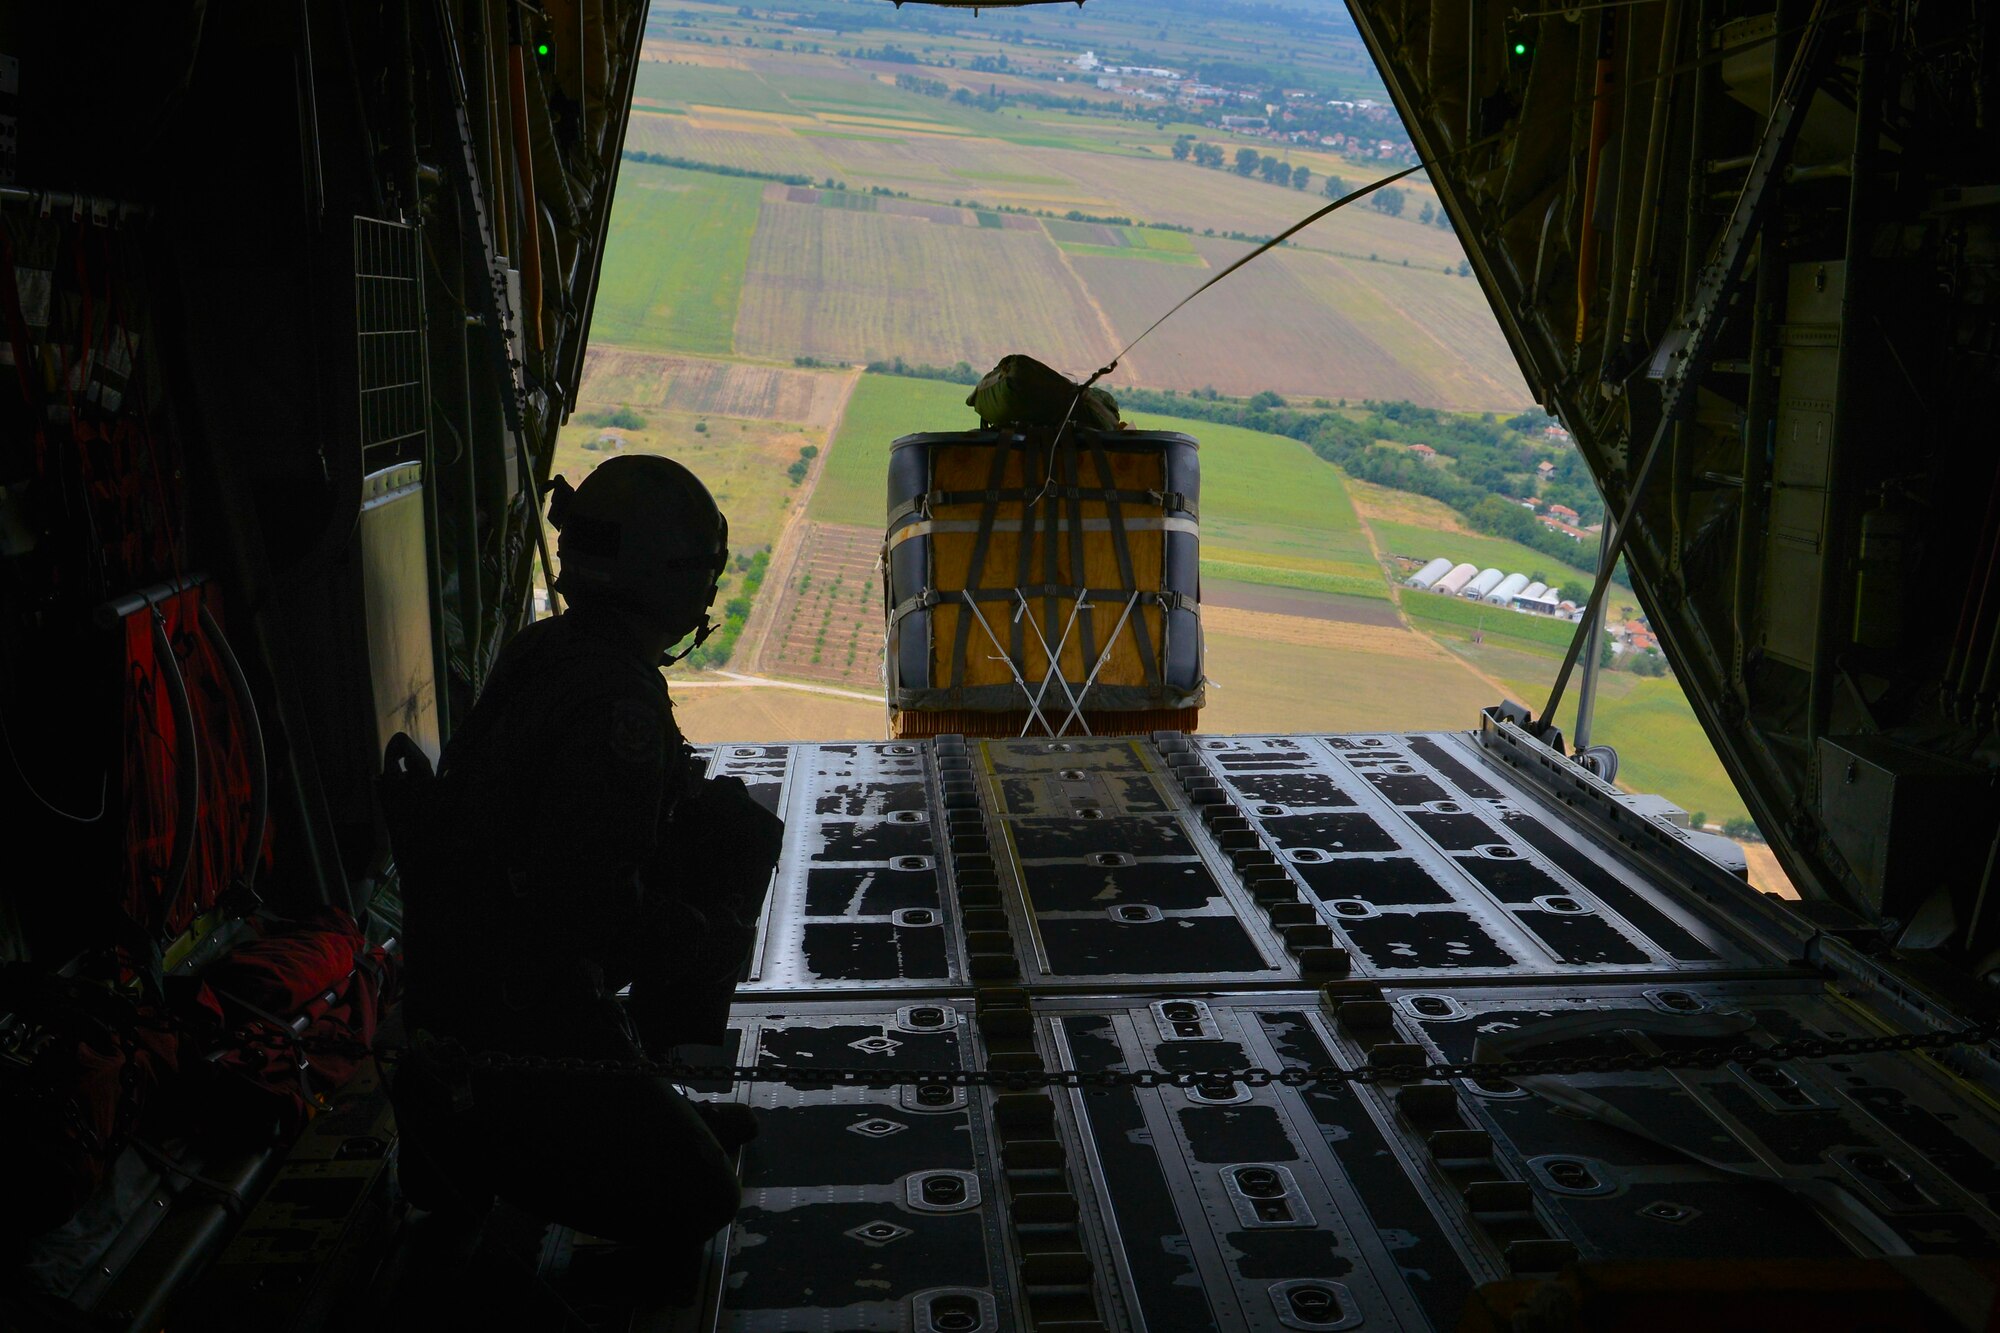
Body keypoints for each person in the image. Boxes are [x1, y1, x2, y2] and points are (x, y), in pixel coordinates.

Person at [384, 454, 784, 1300]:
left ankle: (623, 1095)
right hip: (518, 1016)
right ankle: (476, 1138)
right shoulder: (620, 708)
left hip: (465, 980)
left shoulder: (550, 648)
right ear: (665, 576)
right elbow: (588, 916)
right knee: (701, 1196)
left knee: (718, 828)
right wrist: (708, 937)